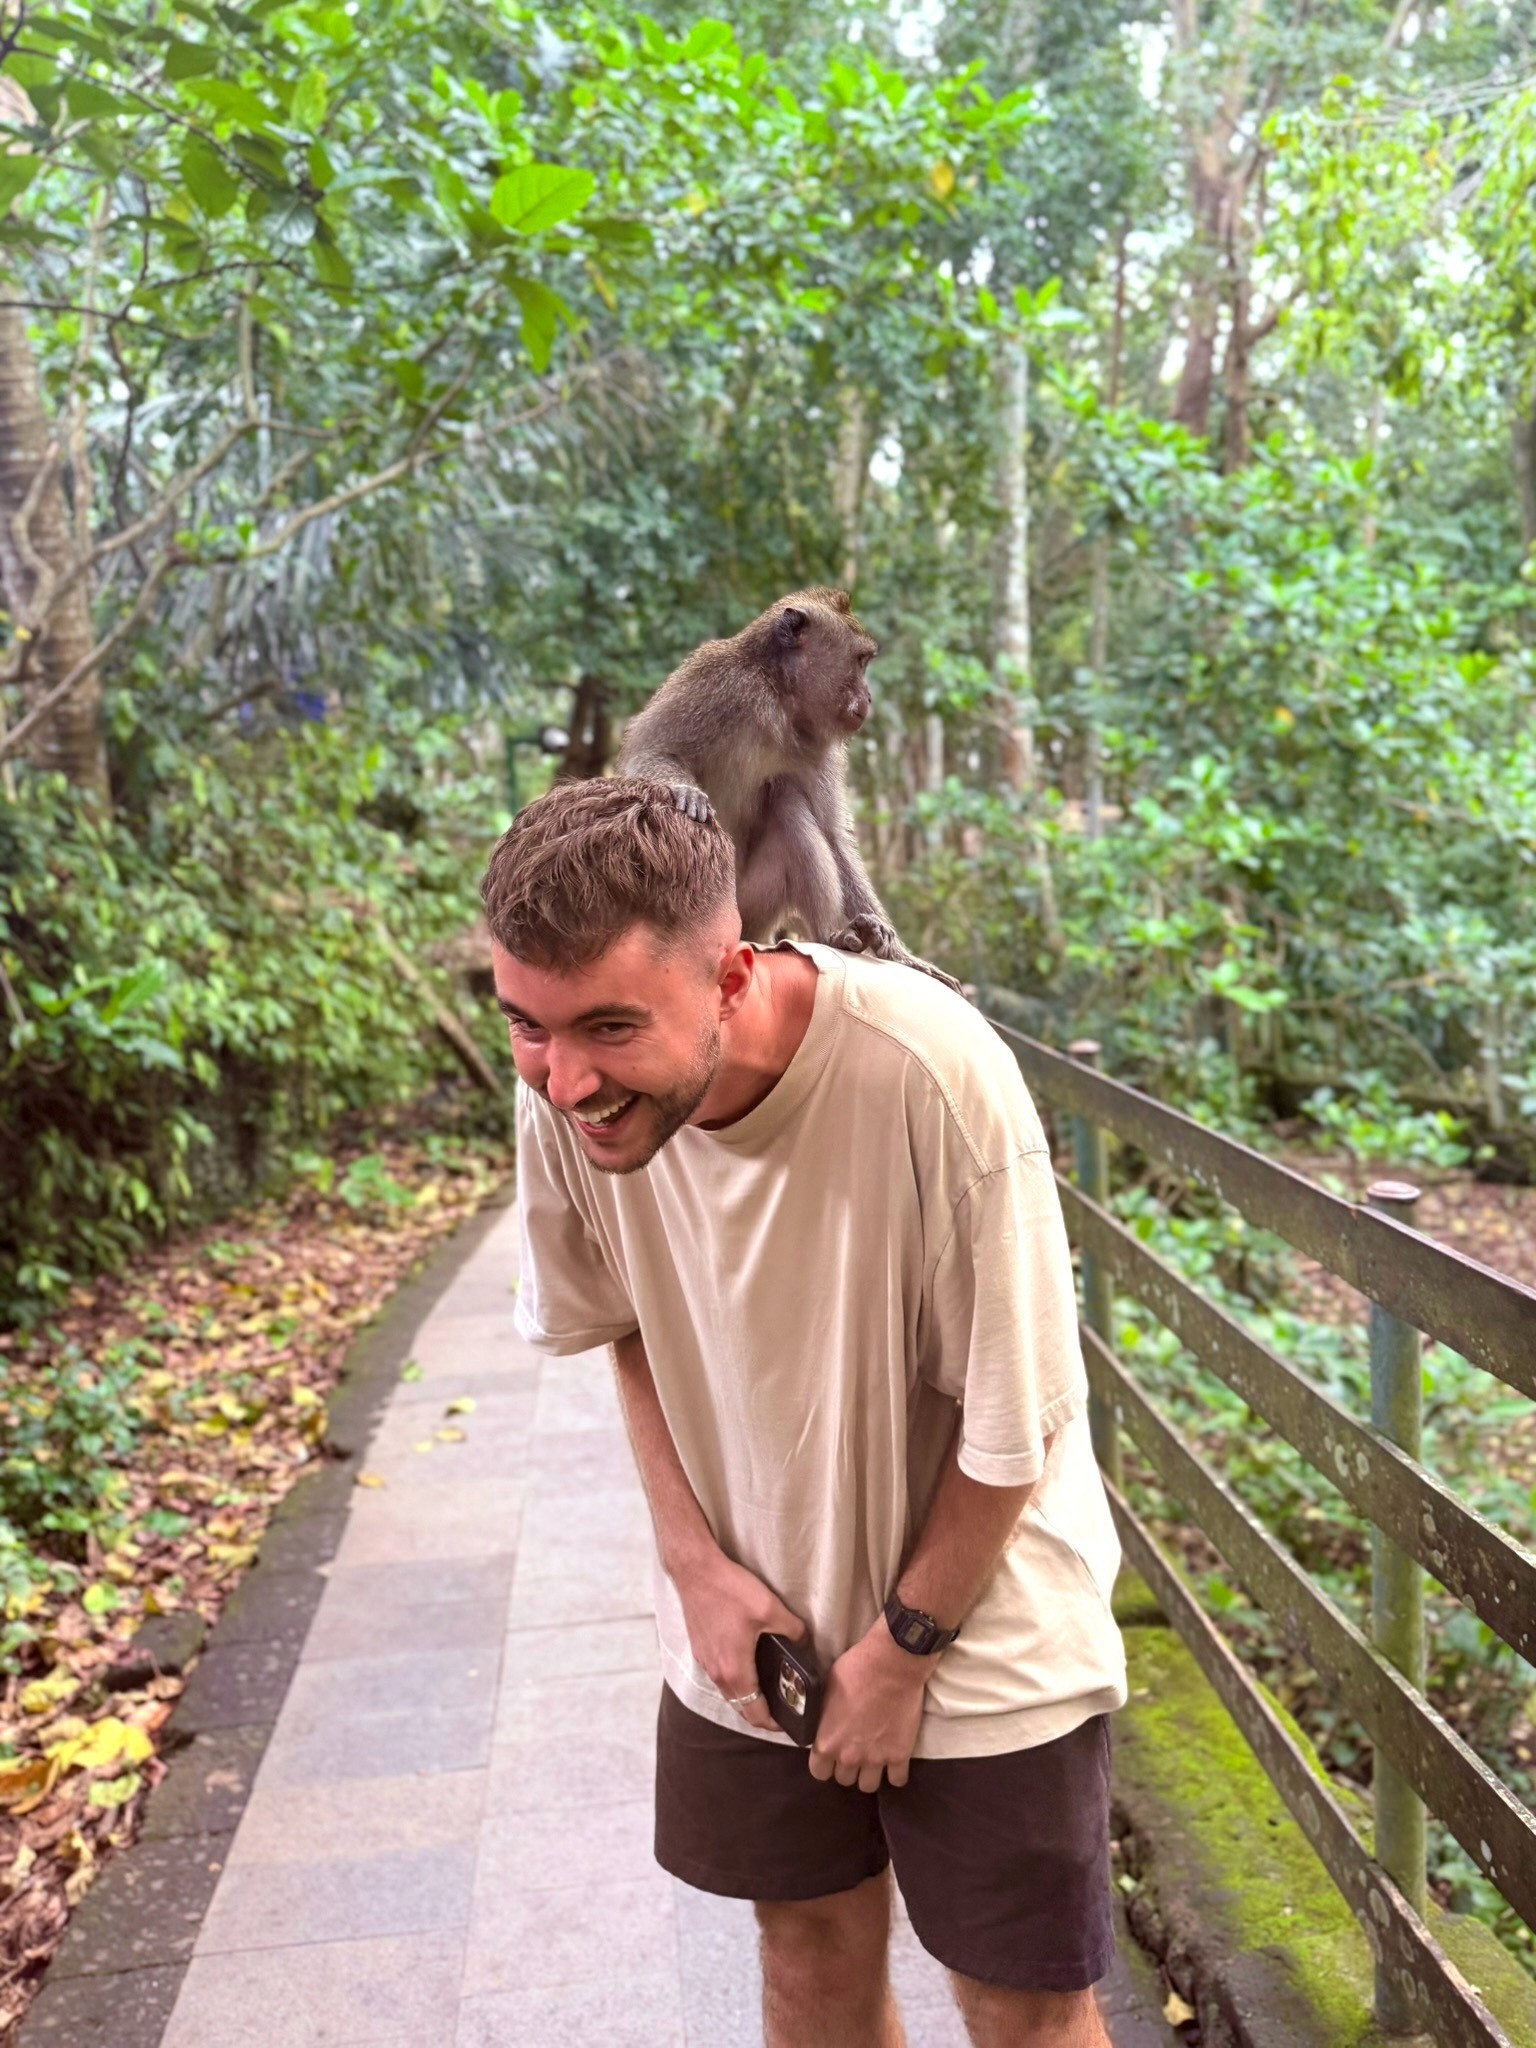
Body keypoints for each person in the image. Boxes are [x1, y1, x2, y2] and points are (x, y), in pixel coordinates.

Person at [483, 777, 1127, 2048]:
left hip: (980, 1622)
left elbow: (1019, 1422)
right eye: (526, 1027)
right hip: (754, 1617)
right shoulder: (567, 1087)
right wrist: (693, 1566)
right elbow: (623, 1324)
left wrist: (902, 1650)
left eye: (610, 1027)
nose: (565, 1080)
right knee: (805, 1961)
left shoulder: (930, 1074)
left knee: (1024, 2008)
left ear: (730, 973)